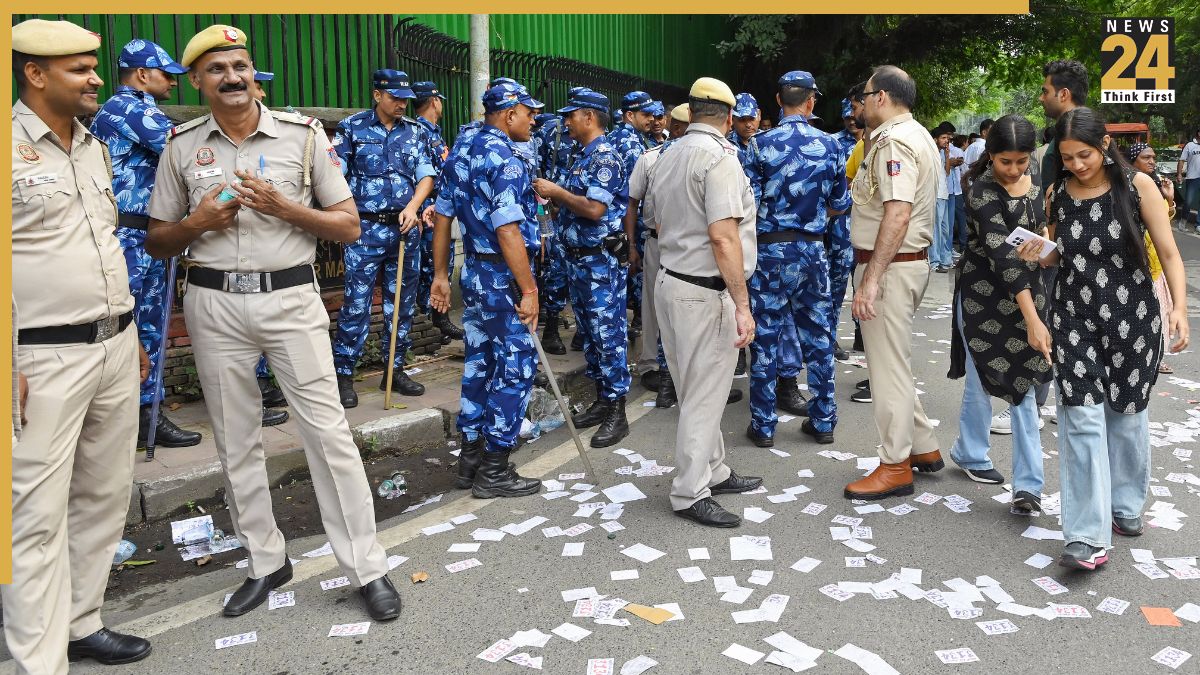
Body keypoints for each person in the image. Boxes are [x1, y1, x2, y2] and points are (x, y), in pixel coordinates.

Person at [146, 24, 401, 619]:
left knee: (328, 436)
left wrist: (282, 206)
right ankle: (265, 562)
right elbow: (159, 239)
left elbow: (348, 226)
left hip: (290, 300)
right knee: (236, 439)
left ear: (253, 72)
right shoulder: (181, 145)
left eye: (239, 66)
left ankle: (366, 567)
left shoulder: (303, 137)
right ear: (197, 82)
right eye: (216, 70)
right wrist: (197, 224)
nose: (231, 77)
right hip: (212, 304)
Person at [9, 19, 154, 671]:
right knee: (34, 510)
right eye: (79, 68)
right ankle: (39, 659)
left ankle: (80, 621)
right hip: (40, 358)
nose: (97, 77)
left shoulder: (93, 145)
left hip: (114, 345)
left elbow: (103, 244)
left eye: (95, 65)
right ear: (34, 74)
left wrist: (132, 334)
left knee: (103, 493)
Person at [1017, 107, 1189, 570]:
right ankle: (1085, 536)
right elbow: (1059, 257)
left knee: (1126, 415)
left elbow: (1170, 253)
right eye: (1068, 158)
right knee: (1081, 420)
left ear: (1105, 146)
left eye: (1084, 155)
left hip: (1134, 318)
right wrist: (1040, 253)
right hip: (1075, 319)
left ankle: (1126, 505)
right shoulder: (1058, 195)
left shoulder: (1138, 188)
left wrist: (1180, 311)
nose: (1076, 165)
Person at [647, 76, 763, 527]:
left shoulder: (667, 154)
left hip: (672, 281)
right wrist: (742, 303)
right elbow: (723, 235)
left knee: (697, 388)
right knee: (703, 394)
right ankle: (690, 490)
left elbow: (656, 219)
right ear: (729, 118)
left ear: (691, 113)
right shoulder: (720, 160)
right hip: (705, 289)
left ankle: (713, 469)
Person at [429, 81, 545, 498]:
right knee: (515, 367)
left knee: (479, 364)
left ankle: (470, 459)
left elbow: (443, 218)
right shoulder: (507, 159)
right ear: (508, 114)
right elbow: (508, 229)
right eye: (528, 112)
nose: (534, 119)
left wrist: (441, 274)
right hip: (503, 277)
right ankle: (495, 467)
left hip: (474, 274)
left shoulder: (461, 149)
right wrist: (528, 289)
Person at [89, 38, 202, 450]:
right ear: (141, 74)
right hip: (128, 236)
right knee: (127, 327)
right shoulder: (127, 109)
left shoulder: (142, 109)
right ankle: (126, 419)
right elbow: (184, 147)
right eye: (165, 74)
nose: (173, 82)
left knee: (150, 327)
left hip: (148, 234)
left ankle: (145, 417)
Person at [844, 65, 944, 500]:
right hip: (902, 263)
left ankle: (895, 464)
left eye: (865, 96)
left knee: (886, 372)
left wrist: (871, 281)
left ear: (881, 96)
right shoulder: (913, 134)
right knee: (894, 363)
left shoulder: (894, 141)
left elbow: (897, 213)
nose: (861, 104)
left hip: (890, 265)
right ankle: (923, 448)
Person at [947, 115, 1050, 514]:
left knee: (1022, 386)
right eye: (1005, 161)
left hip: (1030, 295)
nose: (1014, 170)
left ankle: (1027, 486)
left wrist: (1047, 253)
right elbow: (1004, 260)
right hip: (983, 300)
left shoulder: (1036, 172)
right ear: (989, 156)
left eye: (1021, 161)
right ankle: (972, 453)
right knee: (982, 379)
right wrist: (1034, 321)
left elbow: (1042, 228)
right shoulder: (982, 191)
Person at [743, 70, 849, 449]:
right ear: (811, 101)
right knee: (819, 336)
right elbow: (839, 205)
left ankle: (764, 426)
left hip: (769, 250)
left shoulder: (757, 145)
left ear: (777, 100)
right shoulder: (832, 146)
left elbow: (747, 205)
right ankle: (823, 421)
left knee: (766, 337)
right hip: (812, 250)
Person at [992, 59, 1090, 434]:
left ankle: (1033, 404)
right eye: (1069, 158)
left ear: (1063, 94)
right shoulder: (1058, 141)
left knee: (1047, 323)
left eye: (1045, 91)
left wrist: (1049, 239)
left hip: (1067, 249)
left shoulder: (1066, 144)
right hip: (1056, 246)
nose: (1041, 97)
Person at [330, 69, 435, 407]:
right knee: (356, 304)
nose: (402, 104)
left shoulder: (415, 133)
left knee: (401, 306)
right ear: (377, 95)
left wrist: (415, 207)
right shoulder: (352, 129)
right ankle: (344, 372)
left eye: (405, 99)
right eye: (395, 98)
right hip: (364, 230)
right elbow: (334, 177)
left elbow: (426, 177)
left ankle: (395, 369)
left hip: (405, 231)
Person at [533, 89, 632, 448]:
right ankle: (602, 401)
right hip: (578, 259)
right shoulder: (580, 155)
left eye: (571, 115)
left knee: (608, 336)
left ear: (589, 117)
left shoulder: (605, 157)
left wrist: (557, 193)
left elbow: (594, 209)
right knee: (590, 335)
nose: (566, 122)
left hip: (600, 261)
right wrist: (554, 204)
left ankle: (618, 411)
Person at [627, 103, 691, 407]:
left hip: (692, 244)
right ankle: (652, 365)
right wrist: (632, 246)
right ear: (676, 128)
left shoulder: (704, 156)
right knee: (653, 304)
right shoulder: (649, 159)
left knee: (689, 308)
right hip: (657, 241)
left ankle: (682, 371)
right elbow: (632, 204)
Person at [532, 87, 588, 356]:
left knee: (578, 271)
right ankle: (551, 328)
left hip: (576, 214)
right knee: (553, 266)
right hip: (548, 213)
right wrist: (545, 210)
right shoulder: (550, 132)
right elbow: (536, 172)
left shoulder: (593, 140)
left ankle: (582, 330)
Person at [410, 80, 464, 345]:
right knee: (431, 267)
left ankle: (437, 321)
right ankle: (431, 321)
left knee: (438, 264)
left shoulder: (432, 132)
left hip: (439, 209)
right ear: (434, 101)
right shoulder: (419, 132)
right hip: (428, 213)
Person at [1128, 142, 1179, 374]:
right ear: (1132, 161)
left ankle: (1156, 356)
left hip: (1156, 261)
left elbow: (1162, 229)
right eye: (1145, 157)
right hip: (1137, 262)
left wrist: (1168, 200)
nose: (1152, 162)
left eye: (1153, 157)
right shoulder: (1127, 186)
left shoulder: (1156, 185)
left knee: (1161, 311)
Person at [608, 90, 655, 340]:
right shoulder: (630, 144)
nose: (651, 119)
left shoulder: (622, 137)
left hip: (620, 226)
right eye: (645, 114)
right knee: (635, 276)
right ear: (630, 115)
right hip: (629, 226)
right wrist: (632, 243)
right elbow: (631, 198)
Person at [828, 95, 862, 362]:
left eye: (854, 116)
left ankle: (864, 335)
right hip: (840, 223)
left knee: (864, 280)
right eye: (847, 117)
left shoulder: (876, 142)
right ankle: (830, 336)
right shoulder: (833, 143)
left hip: (867, 222)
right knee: (837, 282)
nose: (852, 120)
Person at [929, 122, 956, 272]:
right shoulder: (931, 152)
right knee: (937, 229)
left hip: (944, 194)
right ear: (935, 139)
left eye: (948, 138)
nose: (947, 141)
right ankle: (934, 261)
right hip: (936, 194)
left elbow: (946, 172)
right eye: (944, 138)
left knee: (945, 229)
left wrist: (946, 155)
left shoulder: (941, 153)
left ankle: (945, 260)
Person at [961, 118, 993, 190]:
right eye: (992, 131)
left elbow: (963, 165)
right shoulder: (985, 147)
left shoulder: (970, 146)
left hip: (968, 183)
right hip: (980, 185)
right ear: (984, 132)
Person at [1178, 129, 1200, 231]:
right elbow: (1181, 160)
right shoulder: (1190, 145)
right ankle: (1182, 223)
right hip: (1192, 177)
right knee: (1188, 201)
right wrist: (1179, 174)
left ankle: (1198, 224)